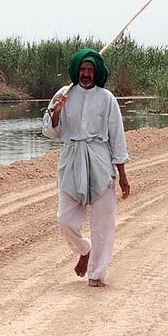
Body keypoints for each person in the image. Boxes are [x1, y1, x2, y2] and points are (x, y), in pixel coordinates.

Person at [42, 48, 130, 287]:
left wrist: (122, 175)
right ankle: (84, 249)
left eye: (90, 70)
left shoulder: (107, 98)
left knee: (104, 221)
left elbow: (117, 137)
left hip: (100, 160)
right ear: (76, 71)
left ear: (96, 73)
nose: (86, 74)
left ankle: (97, 274)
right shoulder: (64, 94)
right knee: (65, 220)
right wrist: (57, 112)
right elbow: (49, 132)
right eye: (82, 69)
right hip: (71, 158)